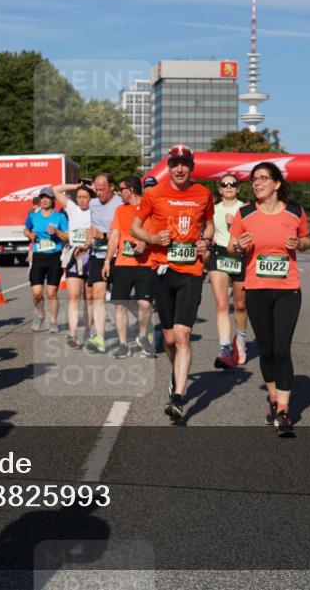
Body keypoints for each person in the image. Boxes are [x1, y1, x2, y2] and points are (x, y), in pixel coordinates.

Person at [228, 161, 310, 437]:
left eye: (263, 178)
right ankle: (274, 401)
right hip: (257, 289)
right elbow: (230, 248)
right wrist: (237, 246)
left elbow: (306, 239)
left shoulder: (295, 212)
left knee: (282, 348)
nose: (257, 183)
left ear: (276, 183)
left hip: (288, 289)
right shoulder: (245, 213)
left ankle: (285, 412)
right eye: (254, 179)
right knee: (266, 350)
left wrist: (298, 244)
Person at [131, 145, 214, 420]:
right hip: (162, 269)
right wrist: (153, 239)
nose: (180, 169)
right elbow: (134, 226)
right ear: (169, 166)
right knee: (168, 338)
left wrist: (207, 240)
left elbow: (210, 223)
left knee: (183, 335)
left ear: (192, 166)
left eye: (185, 164)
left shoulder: (203, 193)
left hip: (191, 271)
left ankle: (178, 398)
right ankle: (175, 368)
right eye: (175, 164)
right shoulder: (154, 193)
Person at [102, 177, 155, 358]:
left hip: (145, 264)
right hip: (123, 264)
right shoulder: (120, 210)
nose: (118, 192)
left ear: (131, 190)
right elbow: (115, 237)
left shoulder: (149, 208)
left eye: (121, 189)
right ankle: (124, 345)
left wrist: (145, 244)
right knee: (120, 306)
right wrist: (107, 260)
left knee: (145, 304)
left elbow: (154, 233)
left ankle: (142, 336)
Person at [209, 173, 249, 368]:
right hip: (220, 255)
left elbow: (253, 235)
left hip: (241, 255)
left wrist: (235, 226)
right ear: (220, 189)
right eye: (224, 184)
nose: (228, 187)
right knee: (222, 305)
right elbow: (206, 229)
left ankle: (240, 340)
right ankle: (224, 348)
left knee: (240, 305)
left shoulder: (245, 209)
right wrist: (209, 239)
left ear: (238, 188)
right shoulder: (213, 210)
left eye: (232, 184)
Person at [53, 182, 95, 348]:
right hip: (73, 257)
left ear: (91, 198)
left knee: (89, 298)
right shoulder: (72, 208)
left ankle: (88, 332)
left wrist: (87, 245)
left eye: (85, 197)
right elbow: (55, 189)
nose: (82, 200)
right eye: (79, 197)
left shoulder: (96, 211)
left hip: (91, 256)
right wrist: (77, 185)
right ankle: (73, 333)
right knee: (74, 297)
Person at [84, 174, 122, 354]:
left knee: (121, 300)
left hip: (120, 255)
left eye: (102, 190)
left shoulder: (122, 203)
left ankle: (142, 329)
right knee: (98, 295)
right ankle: (100, 337)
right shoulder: (92, 204)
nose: (98, 193)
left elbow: (125, 230)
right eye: (96, 190)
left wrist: (104, 235)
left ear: (112, 187)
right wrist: (86, 242)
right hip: (98, 255)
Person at [24, 186, 69, 333]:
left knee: (51, 293)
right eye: (42, 197)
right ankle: (40, 315)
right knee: (37, 292)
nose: (44, 200)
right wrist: (29, 235)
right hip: (38, 257)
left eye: (47, 197)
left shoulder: (59, 217)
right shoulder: (33, 216)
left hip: (54, 257)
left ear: (53, 200)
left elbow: (68, 236)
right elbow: (26, 229)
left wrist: (57, 232)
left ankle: (53, 322)